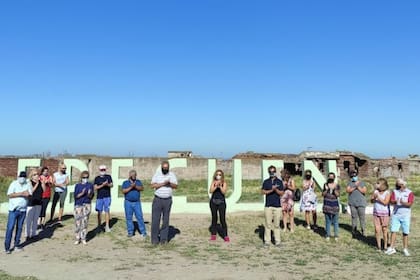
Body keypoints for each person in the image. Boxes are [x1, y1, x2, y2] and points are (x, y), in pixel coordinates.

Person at [4, 171, 32, 254]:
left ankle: (16, 245)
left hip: (23, 210)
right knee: (10, 228)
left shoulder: (27, 184)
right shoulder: (14, 183)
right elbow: (9, 194)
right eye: (21, 176)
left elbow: (30, 194)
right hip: (13, 210)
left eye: (24, 176)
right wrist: (21, 194)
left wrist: (28, 195)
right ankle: (7, 247)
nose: (22, 178)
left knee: (19, 228)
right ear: (18, 176)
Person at [151, 160, 178, 245]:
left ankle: (163, 239)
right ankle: (154, 239)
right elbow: (152, 185)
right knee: (155, 220)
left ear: (168, 168)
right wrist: (162, 184)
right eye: (164, 167)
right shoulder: (157, 175)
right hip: (158, 199)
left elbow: (176, 186)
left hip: (167, 200)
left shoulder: (172, 175)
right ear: (161, 167)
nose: (165, 169)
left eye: (167, 168)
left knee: (165, 220)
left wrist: (169, 184)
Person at [385, 178, 415, 256]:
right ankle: (391, 248)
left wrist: (402, 202)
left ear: (403, 184)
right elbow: (391, 201)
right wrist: (394, 201)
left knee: (405, 232)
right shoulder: (394, 191)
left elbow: (410, 204)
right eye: (397, 183)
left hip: (405, 216)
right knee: (393, 231)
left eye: (398, 183)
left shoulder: (409, 192)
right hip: (396, 215)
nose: (396, 184)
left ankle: (405, 249)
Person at [261, 165, 284, 247]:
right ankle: (267, 241)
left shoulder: (279, 182)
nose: (272, 173)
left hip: (277, 206)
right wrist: (271, 190)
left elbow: (281, 193)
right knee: (268, 224)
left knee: (277, 225)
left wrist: (276, 190)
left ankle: (277, 241)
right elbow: (263, 192)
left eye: (273, 171)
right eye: (270, 171)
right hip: (268, 206)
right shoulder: (266, 182)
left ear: (275, 172)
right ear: (268, 172)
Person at [122, 170, 147, 238]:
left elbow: (142, 188)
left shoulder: (138, 182)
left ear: (136, 175)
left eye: (134, 175)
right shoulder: (125, 182)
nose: (133, 176)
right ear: (129, 175)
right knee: (129, 218)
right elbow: (123, 191)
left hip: (137, 202)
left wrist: (135, 186)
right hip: (128, 202)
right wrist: (131, 187)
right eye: (132, 175)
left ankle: (143, 232)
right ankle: (130, 232)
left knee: (140, 217)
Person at [73, 171, 94, 245]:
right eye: (84, 177)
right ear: (81, 177)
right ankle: (77, 238)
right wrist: (82, 193)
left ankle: (83, 238)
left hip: (86, 205)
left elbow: (91, 196)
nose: (85, 179)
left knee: (85, 222)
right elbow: (75, 196)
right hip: (78, 205)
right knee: (77, 222)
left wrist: (89, 194)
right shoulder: (77, 186)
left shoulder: (90, 185)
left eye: (87, 177)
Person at [209, 169, 229, 242]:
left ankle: (225, 235)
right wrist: (215, 186)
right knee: (214, 218)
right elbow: (210, 191)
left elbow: (224, 192)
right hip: (213, 202)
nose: (218, 176)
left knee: (222, 219)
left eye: (220, 175)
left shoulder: (224, 183)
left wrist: (220, 186)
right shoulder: (213, 182)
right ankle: (213, 234)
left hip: (221, 203)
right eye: (217, 174)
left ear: (222, 176)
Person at [371, 178, 391, 252]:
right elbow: (372, 200)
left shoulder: (387, 193)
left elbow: (386, 202)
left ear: (382, 185)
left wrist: (378, 197)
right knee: (377, 230)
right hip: (376, 213)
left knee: (384, 229)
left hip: (385, 214)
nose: (376, 184)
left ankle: (385, 246)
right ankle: (379, 246)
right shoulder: (375, 191)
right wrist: (374, 198)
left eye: (378, 183)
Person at [346, 170, 367, 237]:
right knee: (354, 217)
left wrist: (358, 187)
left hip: (361, 203)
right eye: (352, 176)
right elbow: (348, 190)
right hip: (352, 202)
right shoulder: (349, 183)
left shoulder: (362, 182)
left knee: (362, 218)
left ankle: (363, 231)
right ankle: (354, 231)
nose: (354, 177)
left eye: (355, 175)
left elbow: (364, 191)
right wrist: (355, 186)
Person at [94, 165, 113, 233]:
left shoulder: (108, 177)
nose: (103, 171)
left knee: (107, 211)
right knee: (99, 212)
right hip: (99, 197)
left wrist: (107, 184)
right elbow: (95, 188)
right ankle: (99, 226)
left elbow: (111, 185)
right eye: (102, 170)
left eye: (104, 170)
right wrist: (103, 185)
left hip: (107, 196)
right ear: (99, 170)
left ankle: (107, 226)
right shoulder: (97, 178)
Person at [322, 172, 340, 241]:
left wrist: (334, 189)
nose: (331, 178)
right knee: (328, 221)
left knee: (335, 221)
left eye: (332, 177)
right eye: (330, 177)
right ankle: (327, 234)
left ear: (334, 178)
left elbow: (338, 195)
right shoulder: (325, 185)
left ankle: (336, 235)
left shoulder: (337, 185)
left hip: (335, 205)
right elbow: (323, 194)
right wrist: (327, 189)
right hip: (327, 205)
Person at [26, 170, 43, 240]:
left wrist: (42, 183)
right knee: (29, 220)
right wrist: (37, 183)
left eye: (37, 174)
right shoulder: (29, 182)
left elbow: (43, 190)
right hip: (31, 202)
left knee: (35, 220)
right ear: (31, 176)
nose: (37, 176)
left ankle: (34, 234)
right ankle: (27, 235)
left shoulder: (40, 183)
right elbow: (31, 191)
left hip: (38, 202)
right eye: (35, 174)